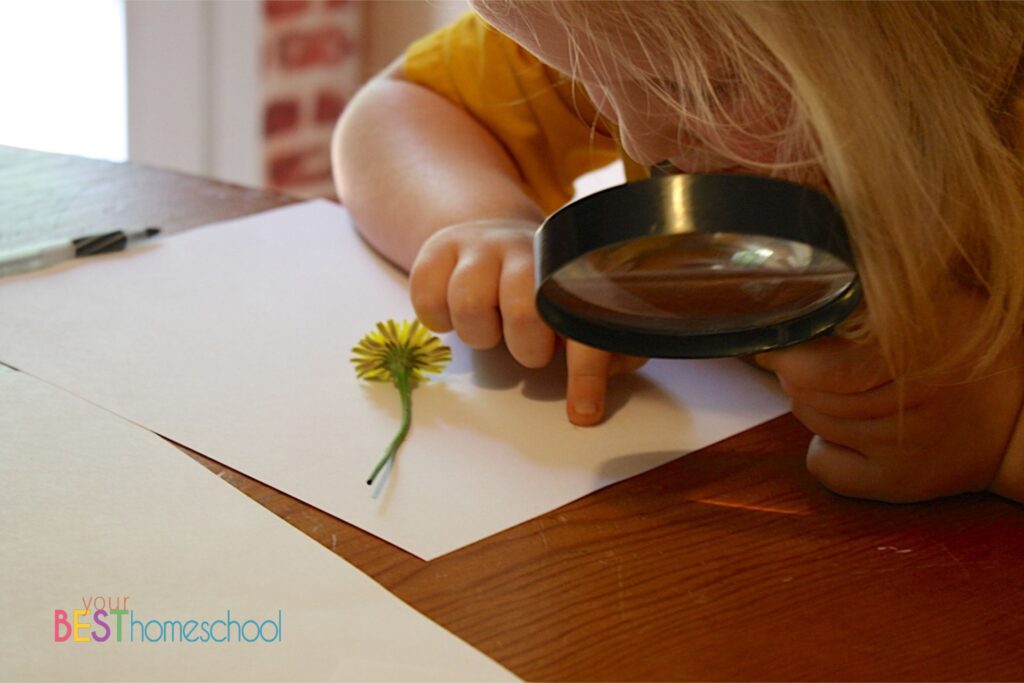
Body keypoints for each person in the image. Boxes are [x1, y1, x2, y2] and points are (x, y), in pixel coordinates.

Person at [333, 1, 1024, 504]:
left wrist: (998, 427)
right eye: (578, 72)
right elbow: (397, 107)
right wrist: (488, 224)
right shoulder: (631, 31)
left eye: (701, 87)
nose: (638, 134)